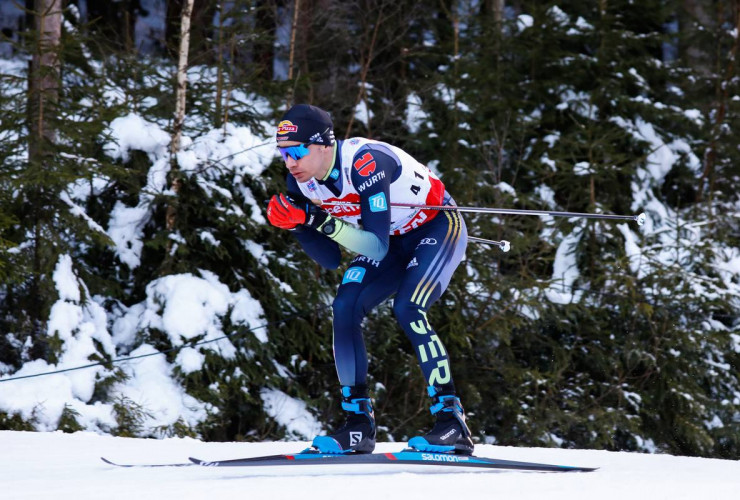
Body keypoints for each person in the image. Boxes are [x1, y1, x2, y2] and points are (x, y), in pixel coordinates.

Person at [266, 104, 473, 455]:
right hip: (391, 239)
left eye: (297, 151)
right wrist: (297, 224)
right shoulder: (301, 182)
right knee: (345, 305)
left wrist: (316, 222)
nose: (290, 162)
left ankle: (452, 423)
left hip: (437, 227)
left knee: (409, 307)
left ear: (323, 145)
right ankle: (358, 425)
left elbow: (374, 248)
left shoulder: (365, 163)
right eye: (283, 153)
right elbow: (330, 259)